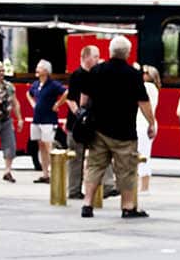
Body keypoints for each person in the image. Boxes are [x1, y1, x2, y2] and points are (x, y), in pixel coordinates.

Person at [77, 36, 155, 218]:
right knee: (126, 171)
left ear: (110, 52)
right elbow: (143, 102)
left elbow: (84, 99)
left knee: (95, 167)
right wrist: (151, 123)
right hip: (124, 132)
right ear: (127, 53)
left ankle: (87, 204)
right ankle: (128, 207)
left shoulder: (96, 71)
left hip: (98, 129)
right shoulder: (133, 75)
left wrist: (85, 113)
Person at [65, 45, 115, 200]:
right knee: (76, 158)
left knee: (101, 153)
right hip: (77, 125)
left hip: (95, 123)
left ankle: (108, 185)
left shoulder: (97, 74)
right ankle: (73, 190)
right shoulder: (77, 75)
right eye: (95, 56)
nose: (98, 59)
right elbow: (70, 99)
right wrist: (80, 114)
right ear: (86, 57)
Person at [25, 60, 68, 184]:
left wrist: (57, 104)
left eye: (39, 68)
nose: (36, 70)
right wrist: (33, 104)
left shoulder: (53, 85)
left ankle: (54, 172)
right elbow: (29, 93)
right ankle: (45, 174)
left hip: (49, 119)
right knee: (41, 145)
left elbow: (66, 92)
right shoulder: (36, 84)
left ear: (46, 71)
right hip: (37, 119)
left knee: (48, 145)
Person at [0, 61, 23, 183]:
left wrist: (20, 119)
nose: (1, 73)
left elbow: (15, 102)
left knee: (10, 146)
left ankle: (7, 172)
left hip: (6, 120)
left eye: (2, 70)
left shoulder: (9, 86)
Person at [136, 65, 161, 192]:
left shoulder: (147, 87)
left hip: (142, 123)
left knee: (142, 155)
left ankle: (144, 186)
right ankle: (143, 186)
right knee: (144, 154)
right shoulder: (154, 88)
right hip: (146, 122)